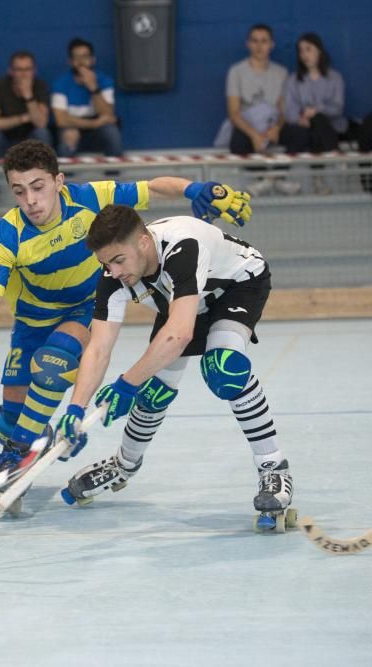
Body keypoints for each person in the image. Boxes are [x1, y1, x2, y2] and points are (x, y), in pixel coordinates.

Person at [0, 139, 252, 513]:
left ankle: (15, 464)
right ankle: (29, 441)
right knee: (10, 420)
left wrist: (195, 189)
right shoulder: (7, 234)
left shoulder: (89, 198)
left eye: (38, 187)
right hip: (31, 321)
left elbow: (152, 188)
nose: (30, 200)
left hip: (81, 310)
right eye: (19, 191)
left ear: (58, 181)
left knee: (54, 364)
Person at [55, 205, 293, 528]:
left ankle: (273, 467)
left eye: (118, 260)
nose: (113, 271)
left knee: (224, 368)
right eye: (105, 263)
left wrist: (127, 383)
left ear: (143, 242)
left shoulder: (182, 247)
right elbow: (98, 348)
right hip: (182, 298)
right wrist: (76, 409)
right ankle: (123, 465)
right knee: (153, 391)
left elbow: (180, 334)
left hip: (235, 286)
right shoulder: (113, 275)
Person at [218, 24, 298, 195]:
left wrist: (277, 128)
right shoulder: (236, 71)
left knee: (300, 134)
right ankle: (263, 178)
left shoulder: (281, 73)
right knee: (237, 142)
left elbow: (283, 110)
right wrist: (254, 134)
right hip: (249, 126)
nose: (259, 46)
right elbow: (234, 112)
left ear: (272, 45)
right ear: (248, 44)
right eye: (255, 41)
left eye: (264, 41)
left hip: (272, 126)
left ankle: (275, 177)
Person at [0, 50, 53, 206]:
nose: (23, 74)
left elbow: (41, 122)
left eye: (27, 69)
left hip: (30, 138)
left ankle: (45, 189)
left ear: (34, 70)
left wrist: (28, 96)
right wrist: (23, 118)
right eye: (19, 70)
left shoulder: (40, 86)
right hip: (5, 138)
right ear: (11, 71)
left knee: (42, 133)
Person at [280, 33, 346, 195]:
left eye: (308, 49)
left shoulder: (335, 78)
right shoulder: (294, 80)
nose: (304, 55)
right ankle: (324, 170)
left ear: (319, 51)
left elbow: (337, 108)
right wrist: (300, 119)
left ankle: (321, 174)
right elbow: (289, 111)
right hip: (305, 127)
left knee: (318, 120)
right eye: (301, 51)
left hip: (331, 127)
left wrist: (316, 111)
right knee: (312, 128)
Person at [50, 38, 123, 159]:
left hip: (97, 129)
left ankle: (113, 170)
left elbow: (108, 114)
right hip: (73, 126)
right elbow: (61, 119)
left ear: (93, 59)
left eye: (85, 57)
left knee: (112, 133)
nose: (81, 62)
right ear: (70, 61)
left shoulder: (104, 80)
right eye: (76, 58)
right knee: (69, 135)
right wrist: (94, 124)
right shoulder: (60, 83)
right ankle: (65, 171)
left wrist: (94, 88)